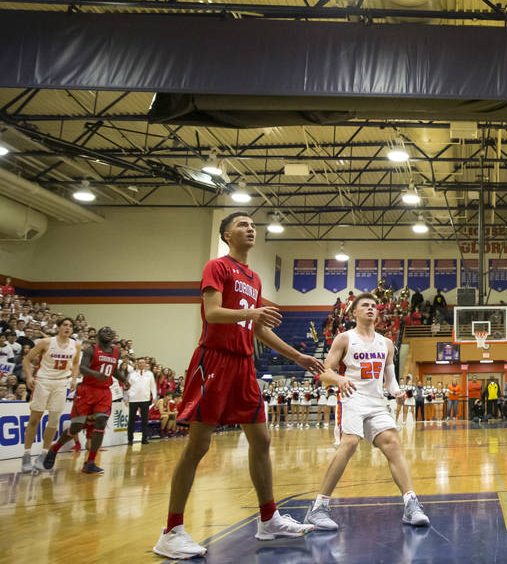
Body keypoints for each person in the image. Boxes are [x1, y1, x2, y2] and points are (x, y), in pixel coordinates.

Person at [152, 213, 324, 559]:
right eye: (243, 224)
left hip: (244, 365)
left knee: (261, 439)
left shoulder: (255, 278)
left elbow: (259, 329)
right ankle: (171, 531)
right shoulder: (216, 266)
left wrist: (298, 358)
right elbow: (213, 313)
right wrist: (252, 314)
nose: (250, 229)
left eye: (253, 226)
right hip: (214, 360)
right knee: (198, 445)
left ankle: (268, 519)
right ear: (226, 234)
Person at [303, 293, 429, 531]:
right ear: (354, 312)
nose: (371, 309)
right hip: (351, 398)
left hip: (375, 401)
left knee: (392, 442)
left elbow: (390, 381)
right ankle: (319, 508)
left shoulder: (387, 343)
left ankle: (411, 504)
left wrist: (398, 392)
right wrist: (339, 380)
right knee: (349, 443)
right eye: (365, 306)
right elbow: (324, 373)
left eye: (374, 306)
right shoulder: (344, 338)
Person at [43, 325, 127, 474]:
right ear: (98, 336)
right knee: (77, 427)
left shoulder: (116, 352)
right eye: (104, 331)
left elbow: (114, 370)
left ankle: (90, 462)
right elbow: (82, 368)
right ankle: (54, 449)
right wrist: (95, 374)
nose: (107, 333)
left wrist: (124, 380)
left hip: (104, 392)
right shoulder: (91, 350)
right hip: (87, 390)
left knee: (101, 422)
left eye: (110, 331)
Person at [20, 317, 80, 472]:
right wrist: (29, 376)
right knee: (35, 419)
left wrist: (74, 379)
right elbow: (26, 360)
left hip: (61, 384)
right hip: (43, 382)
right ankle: (26, 455)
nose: (68, 328)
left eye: (70, 326)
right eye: (65, 325)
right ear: (58, 327)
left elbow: (75, 363)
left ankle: (43, 455)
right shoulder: (45, 342)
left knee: (54, 419)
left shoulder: (76, 345)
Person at [126, 357, 158, 446]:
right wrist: (126, 398)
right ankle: (130, 439)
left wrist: (154, 397)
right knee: (131, 420)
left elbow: (153, 386)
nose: (142, 364)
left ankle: (144, 439)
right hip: (133, 399)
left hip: (145, 399)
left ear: (145, 364)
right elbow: (127, 386)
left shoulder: (150, 374)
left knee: (145, 420)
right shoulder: (132, 374)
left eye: (143, 363)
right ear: (137, 364)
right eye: (140, 363)